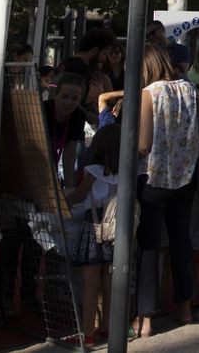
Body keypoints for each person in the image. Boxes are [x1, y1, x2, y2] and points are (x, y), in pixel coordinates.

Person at [133, 44, 199, 338]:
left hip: (153, 176)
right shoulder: (190, 89)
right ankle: (185, 306)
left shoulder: (148, 93)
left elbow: (143, 143)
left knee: (149, 246)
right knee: (181, 241)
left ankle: (145, 317)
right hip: (186, 176)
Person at [65, 122, 124, 345]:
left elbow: (79, 196)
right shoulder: (125, 171)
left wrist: (63, 199)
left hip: (94, 226)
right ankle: (108, 329)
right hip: (116, 228)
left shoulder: (93, 171)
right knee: (109, 281)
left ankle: (87, 334)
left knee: (90, 283)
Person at [44, 72, 88, 189]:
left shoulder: (78, 116)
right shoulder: (43, 110)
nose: (69, 102)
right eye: (65, 96)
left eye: (74, 98)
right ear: (55, 94)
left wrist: (69, 188)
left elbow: (69, 153)